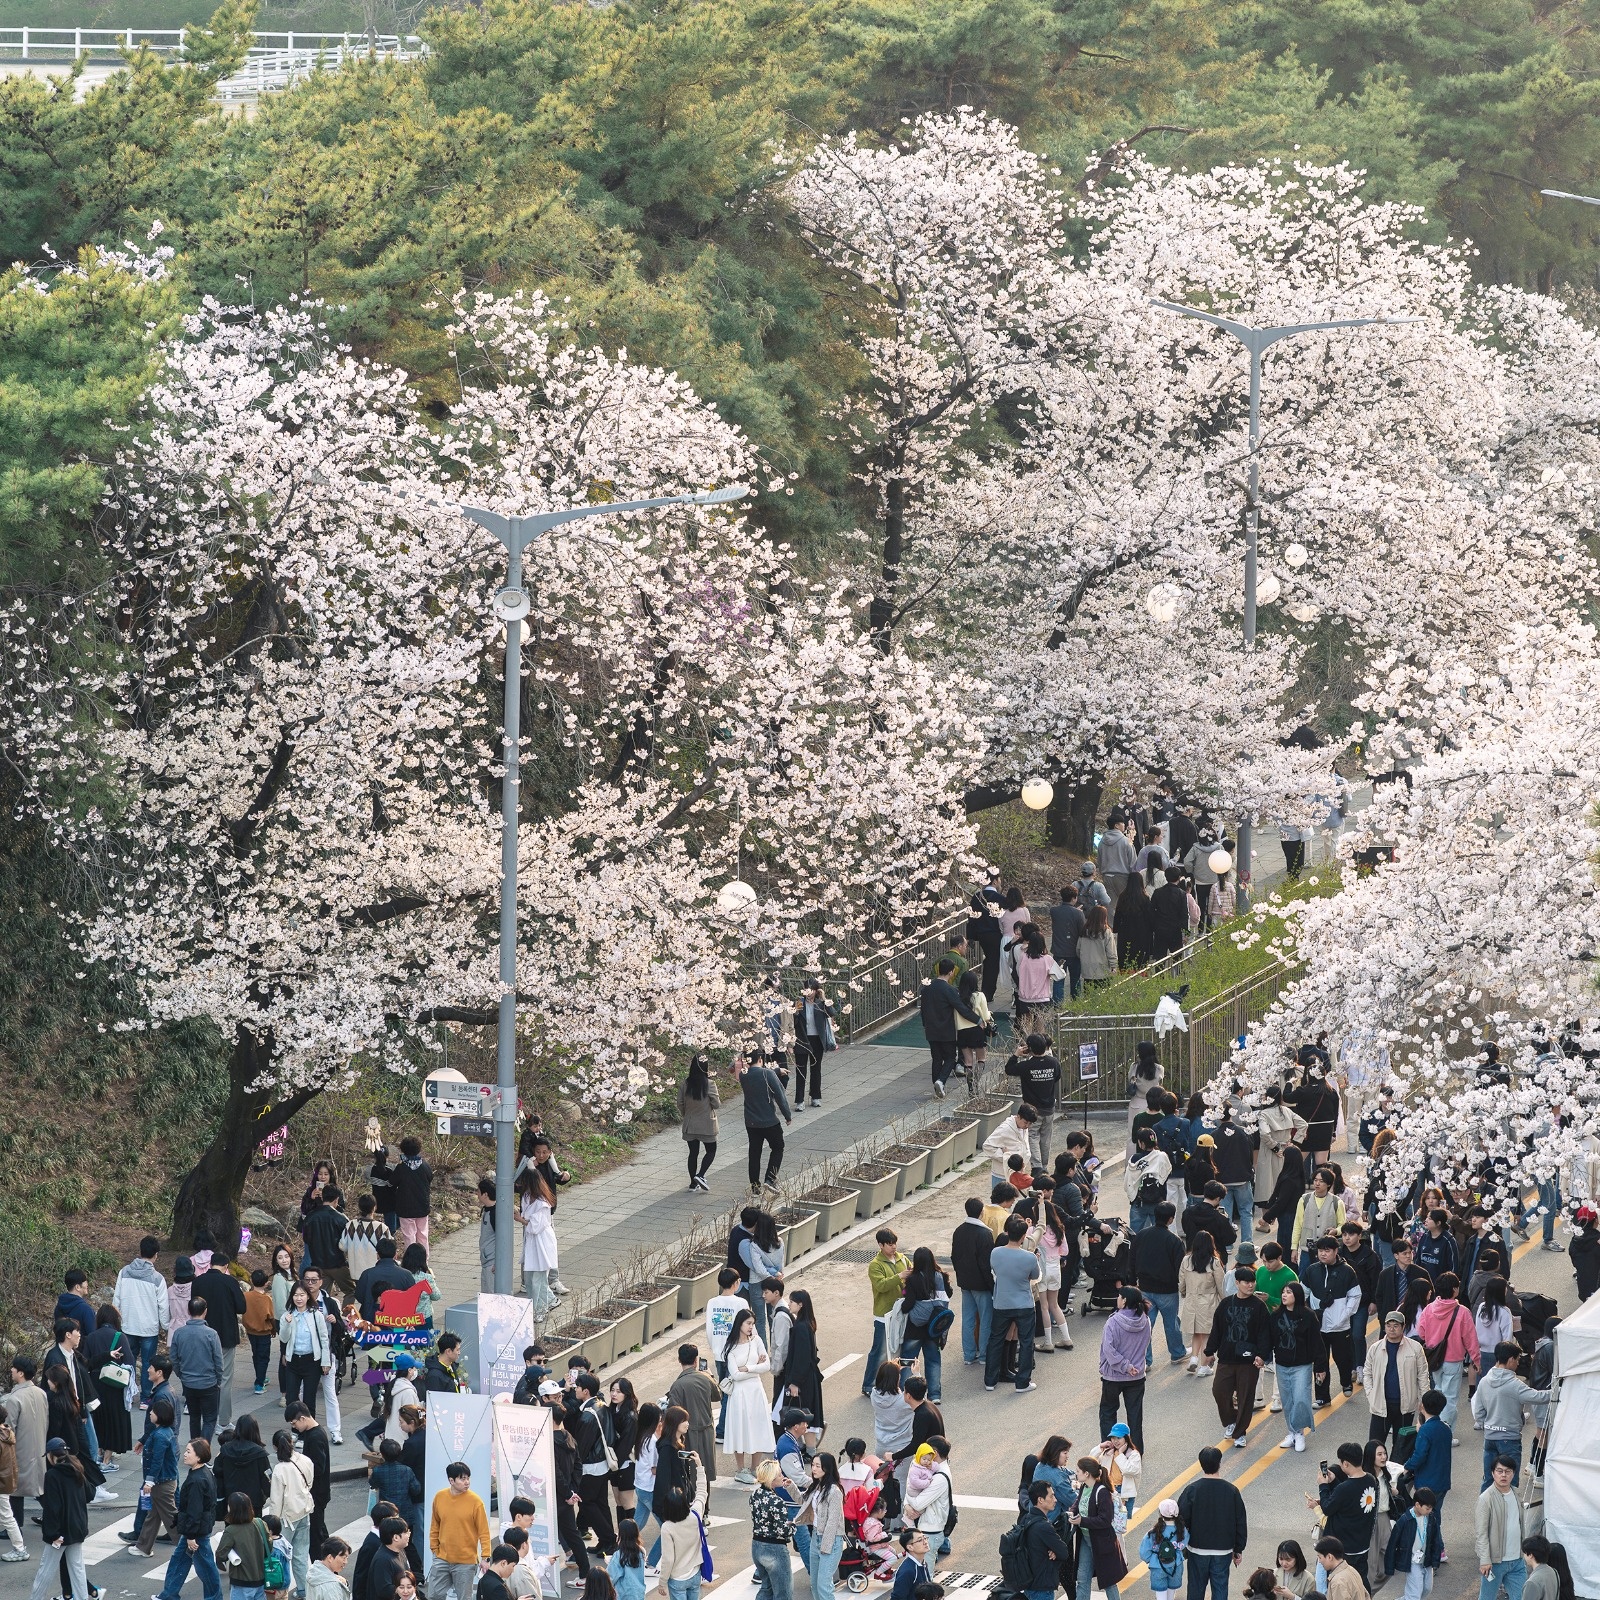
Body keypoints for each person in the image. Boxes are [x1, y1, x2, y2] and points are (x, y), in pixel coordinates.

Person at [1204, 1265, 1270, 1446]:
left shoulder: (1259, 1306)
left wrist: (1262, 1355)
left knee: (1245, 1397)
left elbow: (1265, 1333)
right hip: (1226, 1358)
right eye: (1246, 1282)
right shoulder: (1226, 1304)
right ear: (1237, 1283)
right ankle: (1230, 1422)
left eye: (1253, 1282)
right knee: (1219, 1391)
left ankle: (1240, 1433)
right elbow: (1216, 1329)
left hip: (1249, 1361)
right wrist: (1209, 1352)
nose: (1250, 1285)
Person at [1472, 1342, 1548, 1490]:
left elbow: (1478, 1412)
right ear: (1511, 1359)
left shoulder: (1484, 1382)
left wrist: (1487, 1425)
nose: (1518, 1363)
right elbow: (1537, 1397)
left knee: (1488, 1479)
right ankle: (1508, 1512)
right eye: (1518, 1359)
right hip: (1510, 1439)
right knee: (1509, 1482)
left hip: (1489, 1438)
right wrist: (1557, 1391)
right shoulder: (1515, 1384)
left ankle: (1485, 1512)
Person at [155, 1437, 221, 1600]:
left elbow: (194, 1510)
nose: (185, 1454)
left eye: (189, 1452)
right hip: (197, 1528)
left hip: (196, 1532)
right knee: (180, 1561)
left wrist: (191, 1536)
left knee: (205, 1568)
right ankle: (169, 1594)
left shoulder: (197, 1480)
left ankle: (214, 1597)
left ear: (198, 1457)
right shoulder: (204, 1472)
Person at [1176, 1448, 1246, 1600]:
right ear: (1220, 1463)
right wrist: (1238, 1549)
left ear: (1201, 1464)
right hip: (1223, 1550)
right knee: (1220, 1589)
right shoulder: (1232, 1491)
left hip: (1197, 1549)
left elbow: (1181, 1520)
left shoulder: (1192, 1490)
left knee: (1195, 1589)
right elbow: (1240, 1522)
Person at [984, 1215, 1040, 1394]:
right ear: (1024, 1236)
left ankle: (990, 1380)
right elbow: (1035, 1276)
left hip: (1002, 1302)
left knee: (995, 1340)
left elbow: (995, 1270)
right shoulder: (1030, 1258)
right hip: (1023, 1303)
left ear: (1007, 1232)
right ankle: (1022, 1382)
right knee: (1026, 1342)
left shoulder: (996, 1252)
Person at [29, 1438, 88, 1600]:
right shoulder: (77, 1469)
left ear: (50, 1455)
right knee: (77, 1570)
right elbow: (89, 1494)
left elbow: (53, 1508)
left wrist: (52, 1533)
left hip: (60, 1533)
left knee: (45, 1570)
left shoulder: (53, 1475)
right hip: (77, 1527)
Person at [114, 1237, 170, 1406]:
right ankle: (146, 1398)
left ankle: (126, 1394)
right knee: (148, 1363)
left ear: (140, 1252)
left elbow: (116, 1300)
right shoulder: (157, 1278)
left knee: (126, 1361)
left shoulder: (124, 1272)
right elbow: (163, 1306)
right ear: (156, 1255)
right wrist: (166, 1326)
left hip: (127, 1325)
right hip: (148, 1329)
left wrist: (117, 1321)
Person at [1313, 1445, 1377, 1590]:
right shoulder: (1370, 1480)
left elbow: (1328, 1508)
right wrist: (1335, 1481)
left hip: (1343, 1548)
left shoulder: (1345, 1488)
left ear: (1346, 1463)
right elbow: (1349, 1498)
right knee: (1361, 1582)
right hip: (1362, 1545)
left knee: (1339, 1585)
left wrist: (1323, 1486)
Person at [1365, 1309, 1430, 1446]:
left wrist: (1425, 1400)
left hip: (1405, 1407)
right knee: (1374, 1446)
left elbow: (1423, 1376)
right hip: (1380, 1405)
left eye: (1396, 1326)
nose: (1391, 1329)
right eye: (1388, 1325)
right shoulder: (1375, 1348)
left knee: (1401, 1447)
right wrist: (1371, 1394)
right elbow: (1367, 1373)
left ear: (1403, 1327)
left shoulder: (1415, 1348)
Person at [428, 1462, 491, 1600]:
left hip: (466, 1562)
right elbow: (435, 1525)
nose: (467, 1482)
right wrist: (434, 1548)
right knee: (434, 1596)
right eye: (462, 1478)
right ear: (451, 1480)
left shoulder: (476, 1501)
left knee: (464, 1598)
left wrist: (485, 1557)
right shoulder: (440, 1497)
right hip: (442, 1558)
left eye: (468, 1478)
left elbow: (484, 1532)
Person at [920, 959, 981, 1100]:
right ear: (951, 972)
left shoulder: (926, 988)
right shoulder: (950, 990)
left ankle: (937, 1086)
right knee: (949, 1058)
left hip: (931, 1029)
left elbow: (923, 1010)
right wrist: (978, 1020)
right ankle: (940, 1081)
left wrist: (925, 1024)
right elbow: (962, 1009)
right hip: (946, 1030)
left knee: (936, 1058)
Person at [1097, 1289, 1148, 1449]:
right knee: (1135, 1415)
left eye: (1119, 1296)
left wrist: (1125, 1366)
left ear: (1124, 1301)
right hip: (1137, 1376)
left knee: (1108, 1412)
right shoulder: (1145, 1320)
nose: (1117, 1299)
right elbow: (1146, 1344)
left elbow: (1109, 1350)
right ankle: (1136, 1450)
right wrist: (1132, 1367)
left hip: (1113, 1377)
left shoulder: (1113, 1322)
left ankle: (1109, 1449)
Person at [171, 1297, 227, 1442]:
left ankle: (194, 1448)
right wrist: (218, 1380)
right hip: (209, 1383)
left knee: (194, 1418)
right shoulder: (211, 1334)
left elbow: (174, 1358)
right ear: (205, 1311)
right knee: (209, 1420)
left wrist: (181, 1375)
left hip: (188, 1382)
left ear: (188, 1311)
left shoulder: (179, 1333)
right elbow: (219, 1361)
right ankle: (202, 1451)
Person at [663, 1348, 719, 1493]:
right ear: (696, 1361)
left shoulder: (678, 1385)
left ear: (679, 1360)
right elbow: (717, 1396)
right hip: (706, 1431)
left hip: (686, 1435)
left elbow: (672, 1413)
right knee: (703, 1471)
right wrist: (710, 1375)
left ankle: (690, 1503)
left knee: (687, 1471)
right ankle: (704, 1508)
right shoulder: (705, 1378)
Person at [736, 1054, 792, 1194]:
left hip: (751, 1121)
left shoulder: (743, 1075)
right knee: (778, 1147)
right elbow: (780, 1096)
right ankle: (770, 1179)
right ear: (760, 1059)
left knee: (754, 1152)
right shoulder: (767, 1074)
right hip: (769, 1121)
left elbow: (758, 1074)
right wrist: (787, 1115)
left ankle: (755, 1186)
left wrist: (777, 1071)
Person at [950, 1199, 995, 1367]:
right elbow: (986, 1264)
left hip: (965, 1282)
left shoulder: (959, 1231)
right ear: (982, 1212)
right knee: (985, 1320)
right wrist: (991, 1285)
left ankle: (968, 1355)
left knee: (968, 1320)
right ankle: (983, 1355)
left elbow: (954, 1257)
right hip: (981, 1285)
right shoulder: (984, 1234)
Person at [1005, 1034, 1063, 1166]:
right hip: (1049, 1108)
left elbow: (1009, 1069)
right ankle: (1044, 1165)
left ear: (1029, 1048)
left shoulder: (1026, 1066)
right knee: (1045, 1139)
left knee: (1032, 1136)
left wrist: (1016, 1055)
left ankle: (1037, 1167)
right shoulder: (1053, 1062)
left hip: (1032, 1110)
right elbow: (1057, 1077)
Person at [1475, 1458, 1527, 1600]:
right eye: (1499, 1471)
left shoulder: (1517, 1494)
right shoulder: (1486, 1499)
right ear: (1493, 1473)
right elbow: (1481, 1533)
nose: (1503, 1475)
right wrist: (1485, 1560)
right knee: (1487, 1597)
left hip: (1517, 1560)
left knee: (1523, 1596)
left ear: (1513, 1474)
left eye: (1507, 1471)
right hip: (1495, 1563)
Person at [1010, 1481, 1073, 1600]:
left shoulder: (1027, 1518)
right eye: (1051, 1496)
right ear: (1040, 1500)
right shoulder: (1044, 1526)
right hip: (1042, 1588)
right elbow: (1064, 1552)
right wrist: (1055, 1550)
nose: (1055, 1499)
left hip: (1030, 1584)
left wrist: (1054, 1550)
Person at [278, 1283, 331, 1420]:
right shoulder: (287, 1315)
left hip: (312, 1361)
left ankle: (309, 1430)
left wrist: (326, 1361)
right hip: (293, 1361)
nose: (299, 1298)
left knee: (309, 1400)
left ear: (308, 1296)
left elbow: (324, 1339)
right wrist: (287, 1324)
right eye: (296, 1295)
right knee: (291, 1399)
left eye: (302, 1295)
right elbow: (283, 1338)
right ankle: (295, 1430)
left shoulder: (316, 1315)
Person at [1180, 1232, 1226, 1375]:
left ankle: (1193, 1358)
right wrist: (1225, 1301)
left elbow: (1181, 1282)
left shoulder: (1186, 1260)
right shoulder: (1214, 1262)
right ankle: (1204, 1367)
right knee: (1206, 1335)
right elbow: (1221, 1285)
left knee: (1196, 1332)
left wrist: (1184, 1292)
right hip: (1208, 1301)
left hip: (1191, 1299)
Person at [1384, 1487, 1443, 1600]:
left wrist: (1436, 1560)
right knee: (1414, 1594)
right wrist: (1389, 1567)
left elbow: (1436, 1540)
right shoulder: (1405, 1520)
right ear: (1417, 1505)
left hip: (1426, 1560)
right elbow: (1392, 1544)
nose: (1430, 1511)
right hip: (1412, 1561)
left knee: (1427, 1588)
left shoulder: (1431, 1519)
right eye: (1427, 1508)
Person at [516, 1167, 559, 1321]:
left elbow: (536, 1226)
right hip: (532, 1242)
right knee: (529, 1278)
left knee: (538, 1280)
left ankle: (540, 1310)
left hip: (542, 1241)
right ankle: (550, 1299)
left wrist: (519, 1219)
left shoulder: (543, 1203)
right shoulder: (527, 1197)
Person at [215, 1413, 272, 1524]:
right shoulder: (259, 1453)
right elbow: (267, 1479)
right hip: (253, 1503)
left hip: (231, 1501)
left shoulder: (225, 1450)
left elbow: (217, 1473)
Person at [749, 1460, 794, 1600]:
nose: (782, 1477)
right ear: (772, 1479)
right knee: (783, 1594)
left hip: (757, 1546)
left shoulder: (754, 1495)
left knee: (766, 1588)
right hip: (775, 1549)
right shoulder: (777, 1502)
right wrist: (793, 1526)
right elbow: (783, 1531)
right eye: (779, 1474)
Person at [216, 1491, 272, 1600]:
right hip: (260, 1579)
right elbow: (269, 1548)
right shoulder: (260, 1523)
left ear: (232, 1509)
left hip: (241, 1581)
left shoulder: (231, 1531)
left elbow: (221, 1555)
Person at [678, 1055, 720, 1193]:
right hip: (707, 1124)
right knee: (711, 1150)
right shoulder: (710, 1084)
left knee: (693, 1153)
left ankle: (692, 1183)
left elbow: (680, 1103)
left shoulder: (685, 1084)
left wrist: (687, 1114)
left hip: (690, 1124)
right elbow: (716, 1104)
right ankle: (700, 1175)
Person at [1139, 1499, 1187, 1600]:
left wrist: (1151, 1559)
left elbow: (1144, 1552)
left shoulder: (1154, 1532)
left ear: (1161, 1513)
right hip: (1176, 1565)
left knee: (1161, 1595)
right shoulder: (1182, 1530)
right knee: (1171, 1594)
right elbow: (1184, 1544)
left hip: (1157, 1566)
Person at [392, 1139, 433, 1253]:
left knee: (409, 1236)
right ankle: (424, 1261)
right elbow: (430, 1178)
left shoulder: (401, 1167)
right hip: (422, 1206)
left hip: (406, 1208)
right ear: (418, 1149)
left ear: (403, 1150)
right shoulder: (425, 1165)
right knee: (423, 1235)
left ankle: (411, 1263)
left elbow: (392, 1182)